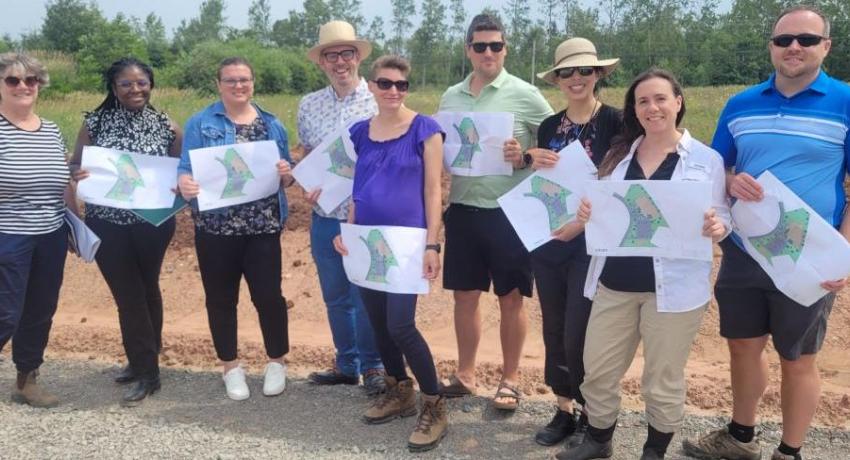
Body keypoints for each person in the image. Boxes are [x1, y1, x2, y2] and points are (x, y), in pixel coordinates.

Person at [683, 6, 850, 460]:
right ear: (772, 48)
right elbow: (717, 167)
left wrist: (843, 253)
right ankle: (741, 438)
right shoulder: (741, 104)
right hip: (744, 249)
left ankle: (789, 451)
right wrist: (731, 180)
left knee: (797, 359)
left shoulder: (846, 101)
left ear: (826, 47)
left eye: (807, 40)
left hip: (809, 255)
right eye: (783, 40)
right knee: (742, 345)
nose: (794, 47)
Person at [557, 69, 730, 460]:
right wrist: (587, 211)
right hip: (613, 284)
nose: (652, 108)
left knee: (662, 379)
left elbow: (722, 215)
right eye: (642, 101)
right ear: (634, 109)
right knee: (597, 368)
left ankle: (654, 449)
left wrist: (719, 224)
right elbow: (602, 209)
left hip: (674, 292)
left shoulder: (706, 159)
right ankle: (599, 440)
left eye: (660, 99)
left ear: (678, 102)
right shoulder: (619, 154)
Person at [438, 13, 554, 411]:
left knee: (511, 297)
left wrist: (523, 156)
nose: (488, 52)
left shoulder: (527, 95)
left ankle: (510, 378)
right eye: (480, 46)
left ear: (506, 49)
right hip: (464, 210)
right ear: (467, 49)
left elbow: (554, 143)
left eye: (496, 45)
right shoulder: (450, 97)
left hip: (510, 213)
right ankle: (466, 374)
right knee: (465, 296)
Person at [333, 55, 447, 452]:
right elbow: (356, 187)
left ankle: (434, 403)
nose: (393, 91)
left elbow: (434, 191)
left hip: (408, 244)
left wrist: (433, 244)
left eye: (401, 85)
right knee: (378, 323)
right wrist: (346, 232)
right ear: (374, 87)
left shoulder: (425, 129)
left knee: (401, 325)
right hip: (365, 242)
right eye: (385, 84)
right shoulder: (360, 132)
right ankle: (400, 392)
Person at [177, 57, 295, 401]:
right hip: (215, 229)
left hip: (263, 227)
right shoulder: (200, 123)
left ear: (253, 83)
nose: (238, 86)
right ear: (219, 84)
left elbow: (283, 176)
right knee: (220, 299)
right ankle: (230, 366)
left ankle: (277, 361)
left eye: (244, 79)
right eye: (231, 80)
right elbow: (185, 168)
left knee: (269, 297)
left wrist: (286, 172)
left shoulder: (273, 124)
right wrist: (185, 183)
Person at [526, 37, 623, 446]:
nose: (576, 78)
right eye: (567, 72)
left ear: (599, 74)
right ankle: (564, 408)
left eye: (585, 70)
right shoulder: (550, 126)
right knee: (554, 325)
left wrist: (581, 225)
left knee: (580, 330)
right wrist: (533, 159)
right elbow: (543, 182)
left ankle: (590, 413)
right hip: (550, 240)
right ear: (558, 80)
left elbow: (621, 183)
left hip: (592, 241)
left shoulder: (618, 122)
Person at [69, 58, 182, 406]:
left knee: (147, 290)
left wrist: (179, 186)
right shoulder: (95, 122)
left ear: (151, 84)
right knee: (128, 294)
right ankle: (145, 367)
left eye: (142, 82)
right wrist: (78, 175)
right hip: (107, 224)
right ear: (113, 88)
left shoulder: (168, 126)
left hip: (153, 225)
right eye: (126, 84)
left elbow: (180, 172)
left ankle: (145, 364)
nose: (136, 89)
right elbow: (74, 165)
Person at [298, 20, 385, 394]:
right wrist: (307, 185)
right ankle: (346, 362)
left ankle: (374, 366)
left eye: (346, 53)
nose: (339, 62)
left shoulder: (379, 99)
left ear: (358, 58)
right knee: (335, 295)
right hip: (325, 217)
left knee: (365, 295)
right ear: (321, 62)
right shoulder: (308, 105)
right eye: (330, 55)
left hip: (366, 219)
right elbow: (307, 157)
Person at [0, 52, 73, 408]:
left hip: (51, 236)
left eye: (31, 80)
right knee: (6, 311)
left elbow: (61, 180)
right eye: (13, 80)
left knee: (40, 309)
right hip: (7, 236)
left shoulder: (52, 130)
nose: (23, 86)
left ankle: (27, 381)